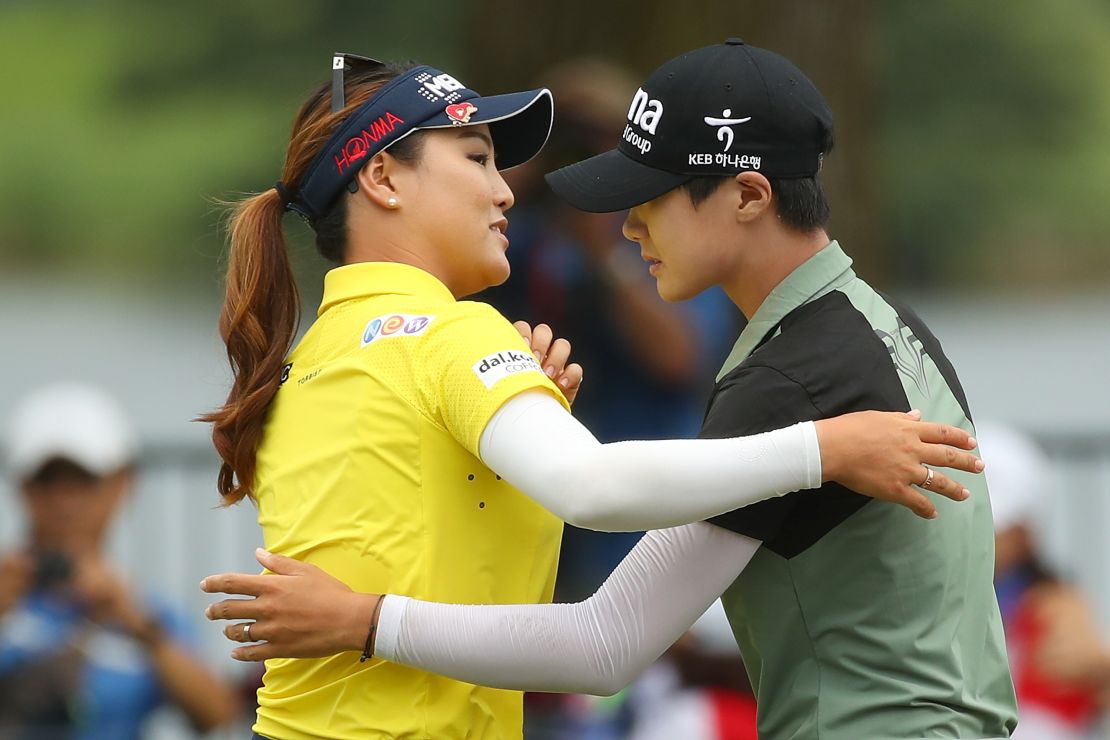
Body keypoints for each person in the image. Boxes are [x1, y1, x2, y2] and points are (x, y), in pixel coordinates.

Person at [200, 51, 985, 740]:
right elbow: (591, 503)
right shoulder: (459, 337)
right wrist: (828, 447)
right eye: (475, 159)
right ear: (379, 177)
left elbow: (434, 537)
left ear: (748, 193)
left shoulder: (302, 360)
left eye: (653, 191)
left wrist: (514, 426)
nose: (508, 192)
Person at [0, 382, 240, 738]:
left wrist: (140, 627)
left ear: (122, 485)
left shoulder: (143, 609)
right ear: (22, 487)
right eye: (47, 480)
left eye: (84, 481)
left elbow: (218, 716)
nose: (65, 501)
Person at [982, 421, 1110, 739]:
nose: (975, 542)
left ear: (1026, 533)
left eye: (992, 527)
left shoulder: (1055, 616)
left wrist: (1102, 671)